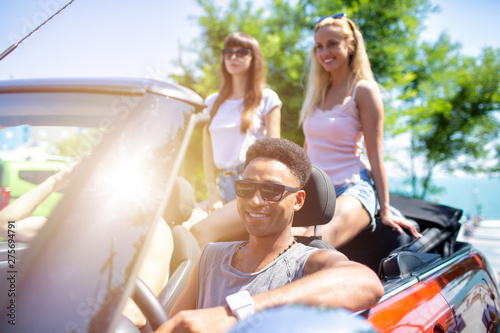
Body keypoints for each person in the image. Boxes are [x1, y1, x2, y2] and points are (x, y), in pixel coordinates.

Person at [155, 138, 384, 333]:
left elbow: (367, 284)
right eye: (246, 188)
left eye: (271, 191)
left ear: (298, 200)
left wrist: (235, 312)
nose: (255, 201)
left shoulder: (309, 263)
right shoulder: (210, 257)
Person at [296, 13, 420, 248]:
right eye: (319, 46)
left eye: (332, 44)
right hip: (315, 190)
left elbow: (375, 155)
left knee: (314, 242)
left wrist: (385, 209)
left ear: (350, 45)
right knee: (278, 238)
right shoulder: (318, 92)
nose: (324, 53)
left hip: (351, 188)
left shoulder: (364, 91)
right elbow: (307, 149)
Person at [0, 161, 173, 328]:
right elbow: (4, 225)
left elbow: (134, 315)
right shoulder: (75, 226)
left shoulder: (153, 231)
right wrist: (54, 181)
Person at [202, 31, 281, 213]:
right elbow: (207, 154)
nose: (233, 57)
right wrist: (213, 195)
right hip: (222, 185)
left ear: (254, 58)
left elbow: (275, 153)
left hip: (253, 185)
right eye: (228, 53)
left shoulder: (266, 98)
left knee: (203, 231)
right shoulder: (212, 102)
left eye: (241, 52)